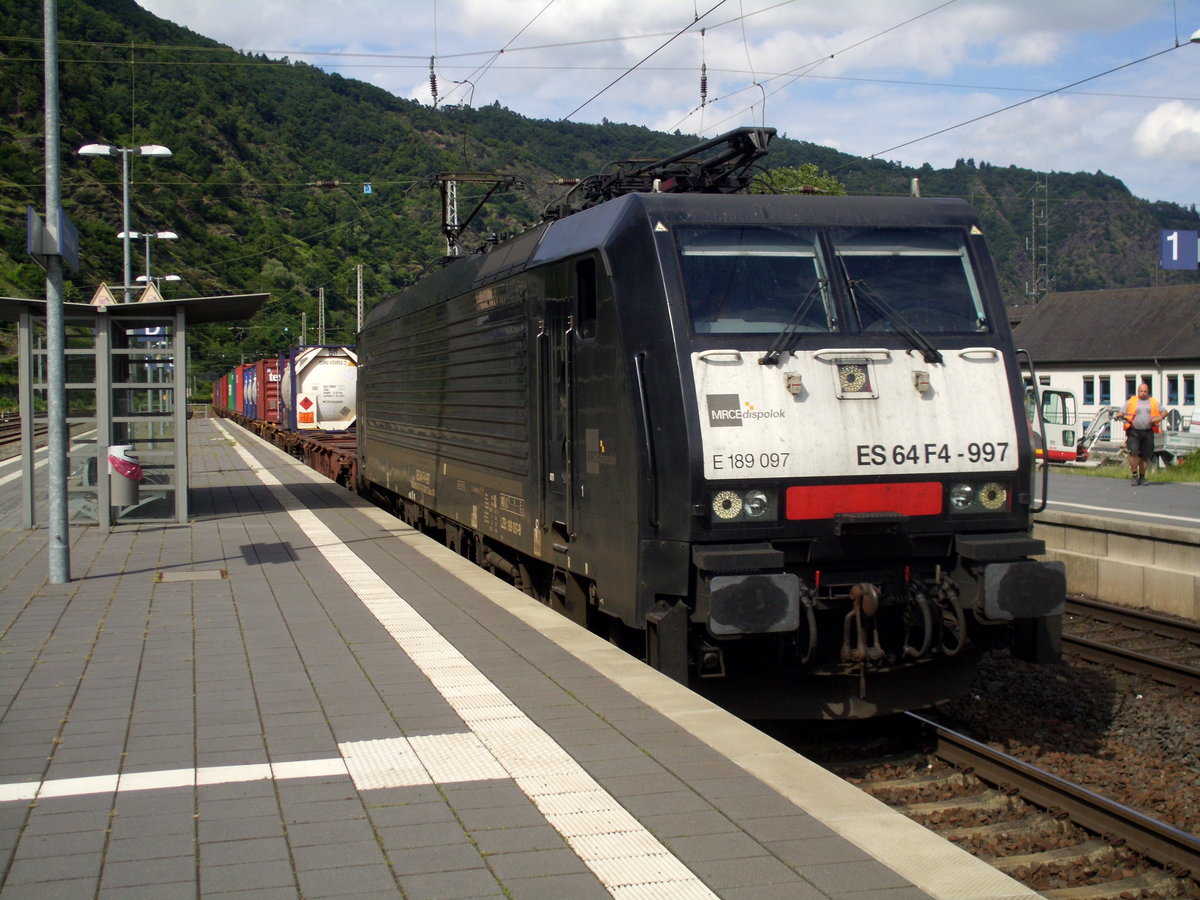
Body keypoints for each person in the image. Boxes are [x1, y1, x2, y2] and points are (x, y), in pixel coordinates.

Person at [1115, 382, 1166, 486]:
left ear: (1148, 392)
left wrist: (1159, 417)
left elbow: (1164, 411)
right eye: (1141, 391)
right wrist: (1118, 415)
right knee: (1134, 453)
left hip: (1148, 431)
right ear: (1138, 392)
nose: (1143, 393)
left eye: (1145, 391)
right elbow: (1121, 412)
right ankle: (1134, 475)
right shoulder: (1131, 401)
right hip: (1134, 431)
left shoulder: (1153, 402)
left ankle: (1142, 477)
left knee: (1145, 456)